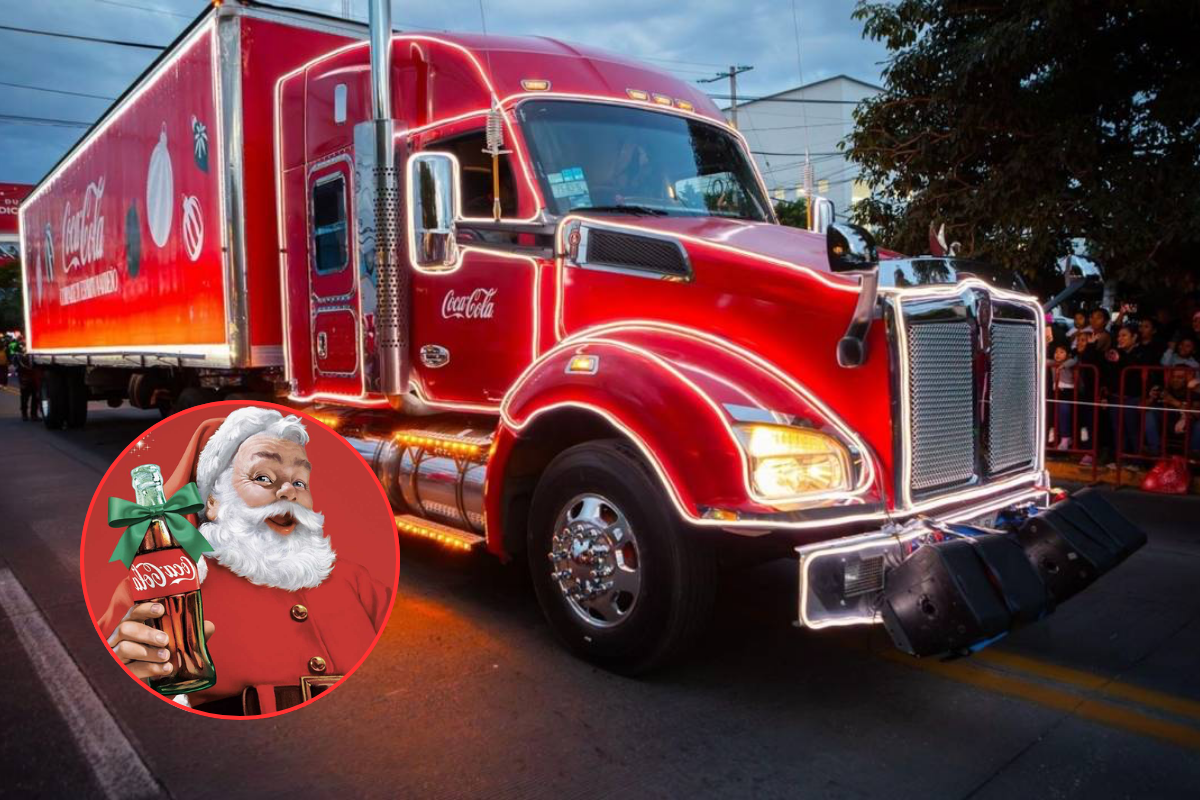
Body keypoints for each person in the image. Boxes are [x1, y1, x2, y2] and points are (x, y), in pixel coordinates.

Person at [98, 407, 392, 715]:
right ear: (213, 503)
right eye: (263, 477)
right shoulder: (164, 583)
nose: (288, 492)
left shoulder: (353, 580)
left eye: (300, 482)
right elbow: (101, 696)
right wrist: (128, 679)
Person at [1144, 367, 1200, 456]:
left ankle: (1194, 457)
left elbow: (1197, 414)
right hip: (1167, 423)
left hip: (1189, 424)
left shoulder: (1195, 392)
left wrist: (1173, 402)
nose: (1175, 380)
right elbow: (1140, 409)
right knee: (1150, 414)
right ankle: (1154, 452)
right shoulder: (1163, 389)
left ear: (1188, 378)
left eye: (1180, 377)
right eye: (1173, 377)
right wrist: (1151, 398)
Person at [1048, 342, 1078, 449]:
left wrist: (1063, 365)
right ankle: (1057, 438)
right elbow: (1041, 359)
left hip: (1067, 392)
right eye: (1056, 352)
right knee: (1056, 415)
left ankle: (1066, 438)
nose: (1058, 354)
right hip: (1056, 392)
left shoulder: (1068, 363)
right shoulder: (1052, 363)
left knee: (1065, 414)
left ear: (1067, 354)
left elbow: (1075, 360)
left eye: (1061, 352)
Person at [16, 353, 40, 421]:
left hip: (34, 380)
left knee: (35, 398)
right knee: (24, 398)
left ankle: (34, 415)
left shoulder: (36, 357)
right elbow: (19, 369)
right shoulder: (20, 356)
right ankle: (25, 414)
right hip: (25, 380)